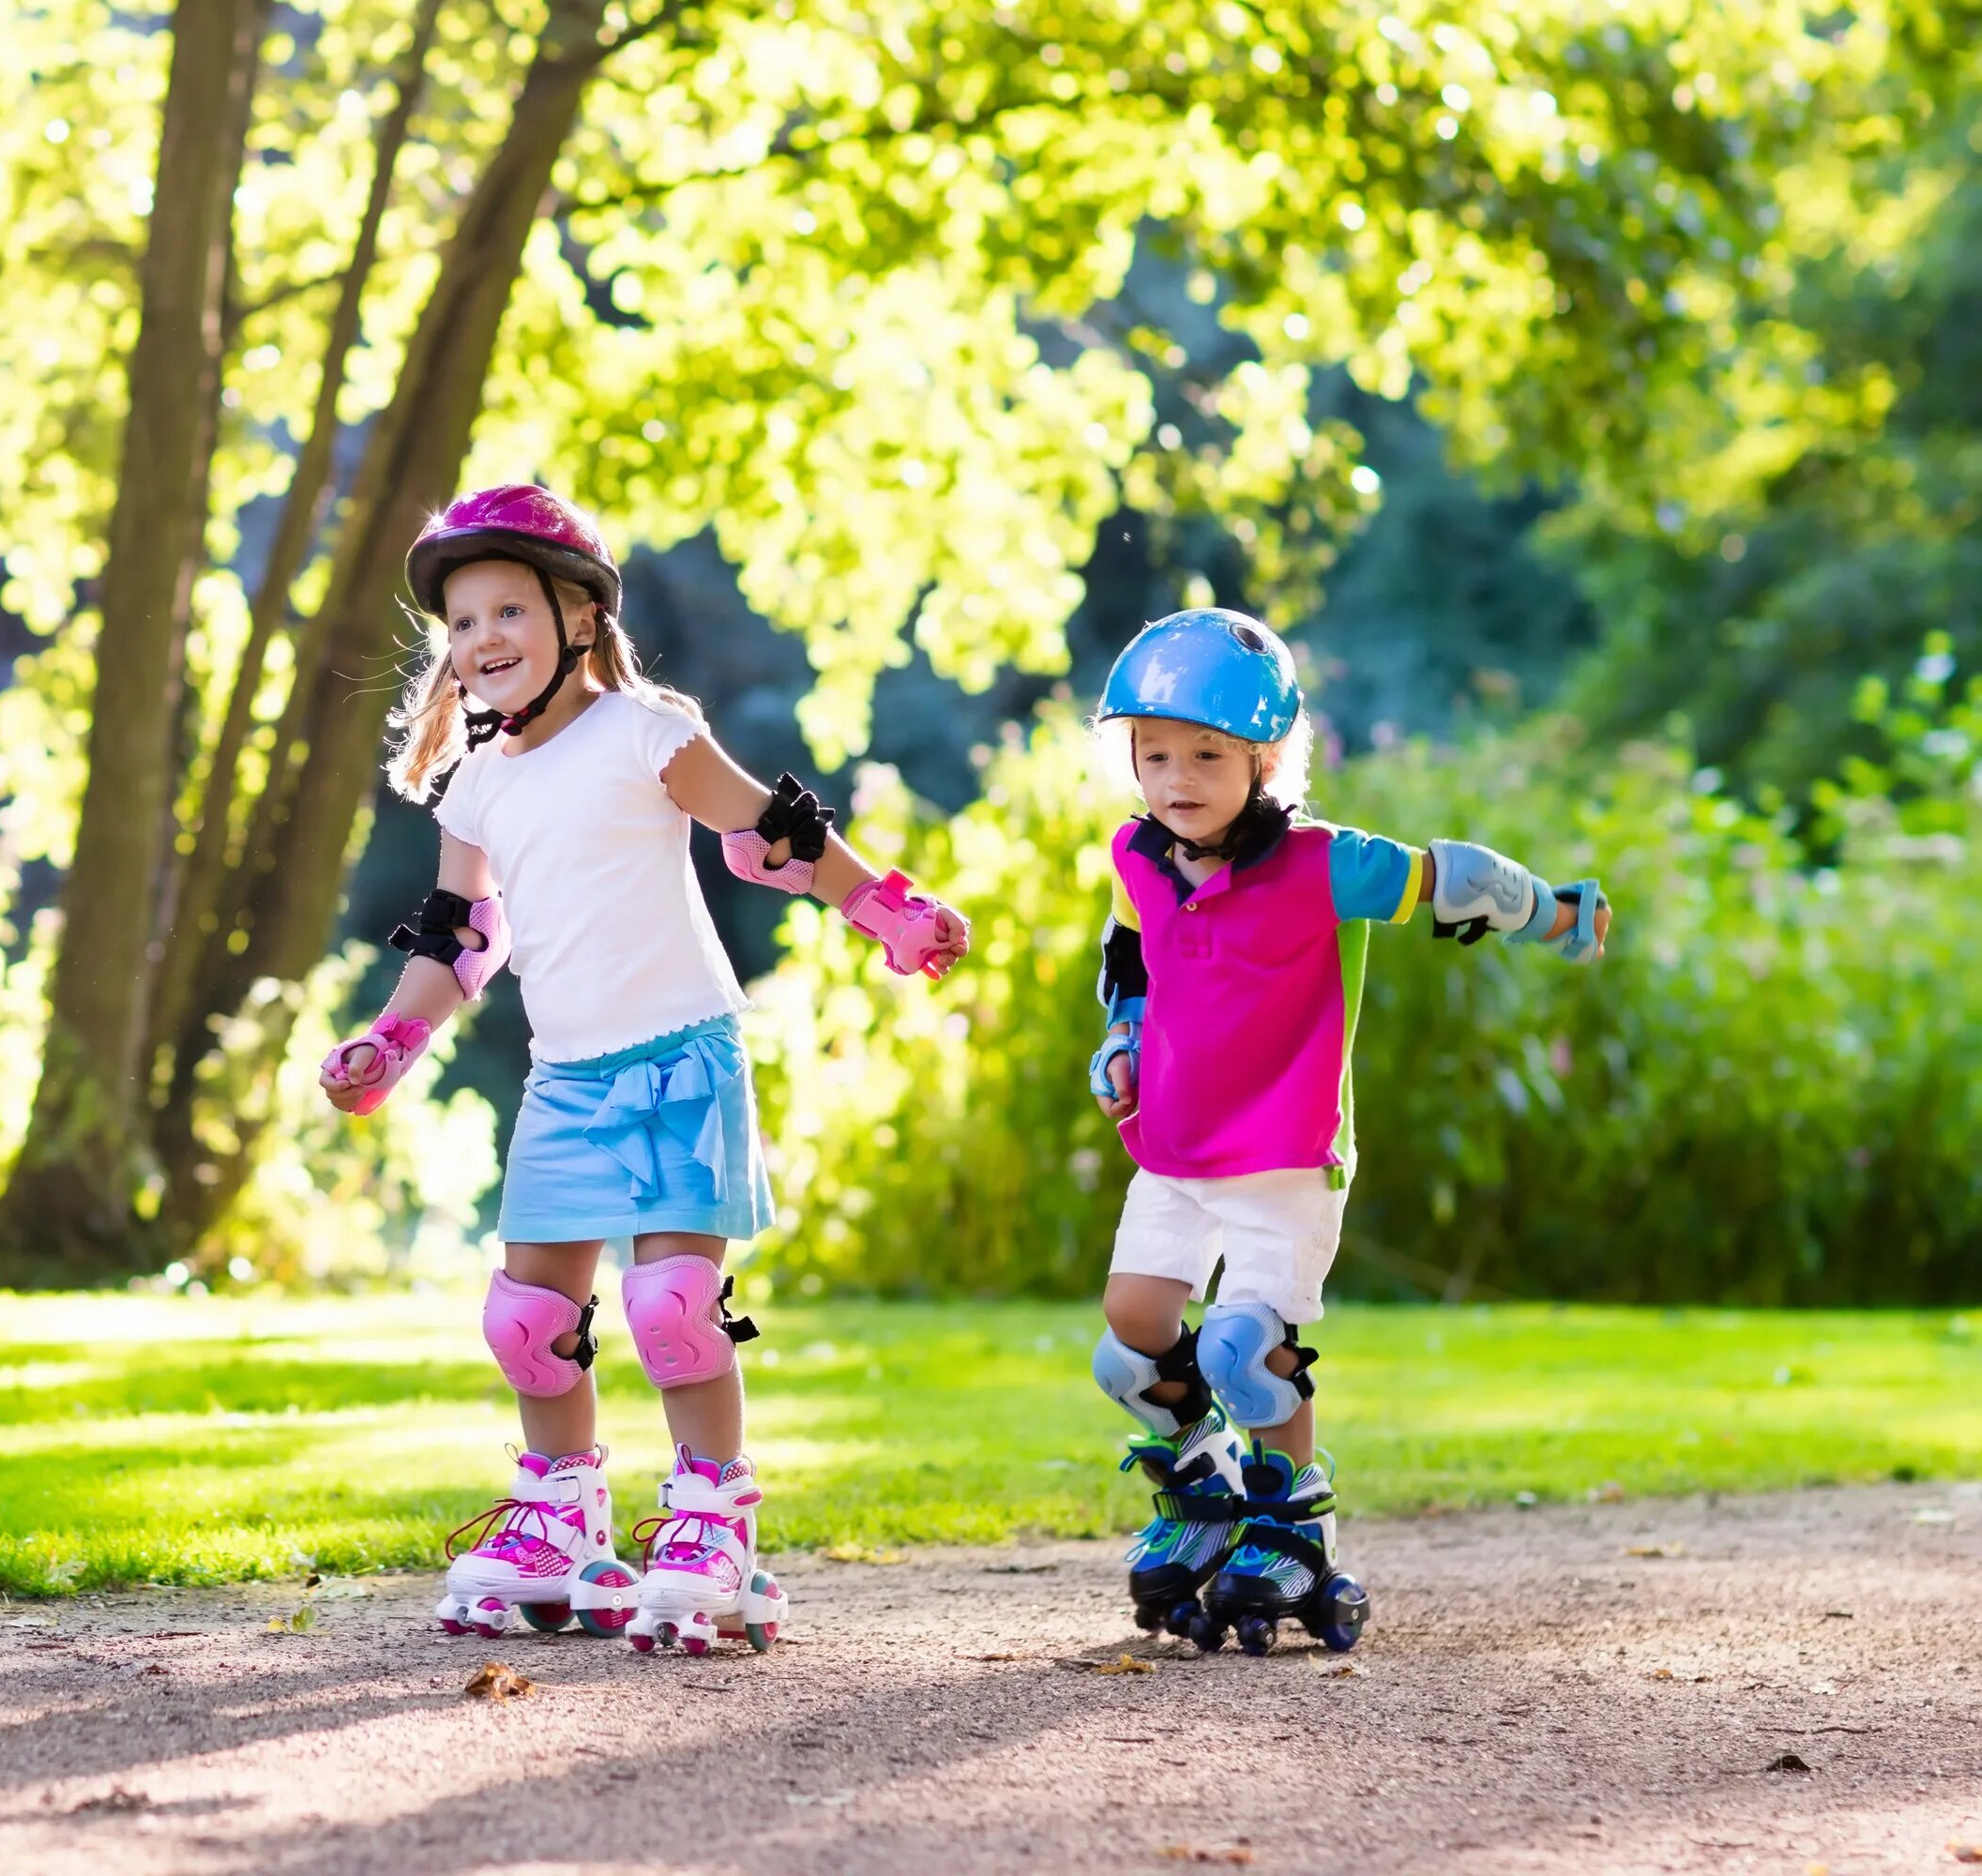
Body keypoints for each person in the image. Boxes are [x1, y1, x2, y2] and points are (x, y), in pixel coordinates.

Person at [319, 484, 970, 1657]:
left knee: (673, 1308)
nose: (483, 642)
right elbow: (463, 938)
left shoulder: (645, 729)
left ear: (579, 614)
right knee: (527, 1317)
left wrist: (888, 906)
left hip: (681, 1057)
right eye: (462, 624)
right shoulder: (478, 784)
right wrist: (390, 1041)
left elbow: (773, 832)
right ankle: (562, 1518)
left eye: (509, 609)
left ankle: (714, 1520)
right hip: (565, 1079)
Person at [1084, 609, 1612, 1656]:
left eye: (1207, 754)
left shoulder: (1321, 861)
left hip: (1286, 1151)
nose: (1177, 777)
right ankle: (1204, 1484)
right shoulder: (1138, 855)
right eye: (1154, 754)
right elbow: (1132, 952)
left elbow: (1446, 876)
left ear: (1265, 759)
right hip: (1178, 1143)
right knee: (1130, 1339)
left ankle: (1295, 1521)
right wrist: (1124, 1034)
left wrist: (1555, 911)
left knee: (1244, 1349)